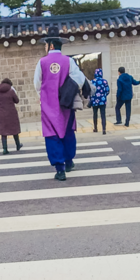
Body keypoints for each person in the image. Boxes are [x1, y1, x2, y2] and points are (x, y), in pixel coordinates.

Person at [34, 26, 87, 181]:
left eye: (46, 45)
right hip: (66, 105)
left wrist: (43, 97)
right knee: (68, 132)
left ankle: (60, 170)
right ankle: (69, 162)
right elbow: (80, 78)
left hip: (49, 106)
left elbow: (37, 84)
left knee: (52, 136)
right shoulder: (69, 61)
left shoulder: (42, 62)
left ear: (50, 45)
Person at [0, 78, 23, 155]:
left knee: (3, 131)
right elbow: (17, 101)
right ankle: (18, 145)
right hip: (11, 113)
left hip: (1, 113)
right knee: (14, 129)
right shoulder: (11, 91)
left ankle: (5, 149)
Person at [89, 68, 110, 134]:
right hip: (103, 101)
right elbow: (107, 90)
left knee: (95, 114)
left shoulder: (92, 81)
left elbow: (90, 91)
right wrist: (104, 96)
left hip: (94, 100)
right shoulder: (105, 81)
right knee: (103, 115)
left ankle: (95, 128)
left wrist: (91, 98)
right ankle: (104, 129)